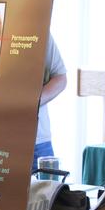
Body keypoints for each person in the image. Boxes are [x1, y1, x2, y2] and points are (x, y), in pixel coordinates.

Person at [33, 36, 68, 166]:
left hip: (36, 141)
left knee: (46, 185)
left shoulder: (39, 29)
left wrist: (31, 104)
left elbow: (60, 78)